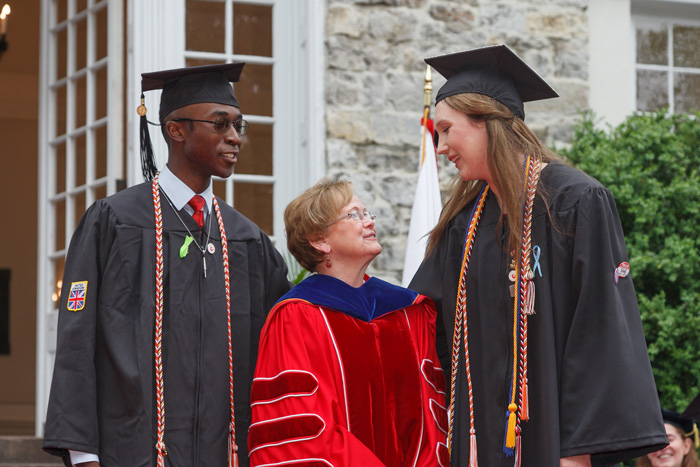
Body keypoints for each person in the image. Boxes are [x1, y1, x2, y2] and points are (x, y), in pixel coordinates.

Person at [408, 44, 668, 466]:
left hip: (553, 442)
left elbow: (599, 328)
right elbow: (424, 320)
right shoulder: (465, 223)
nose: (440, 147)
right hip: (476, 441)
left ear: (486, 123)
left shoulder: (574, 201)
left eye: (446, 129)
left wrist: (578, 452)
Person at [42, 63, 291, 467]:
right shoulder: (115, 222)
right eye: (220, 123)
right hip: (132, 450)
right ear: (177, 130)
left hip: (226, 452)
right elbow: (77, 338)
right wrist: (83, 453)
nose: (234, 137)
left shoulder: (246, 240)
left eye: (238, 125)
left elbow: (287, 340)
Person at [248, 179, 448, 466]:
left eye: (368, 214)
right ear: (320, 240)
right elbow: (300, 427)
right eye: (354, 215)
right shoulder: (296, 317)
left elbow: (432, 416)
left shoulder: (407, 312)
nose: (368, 222)